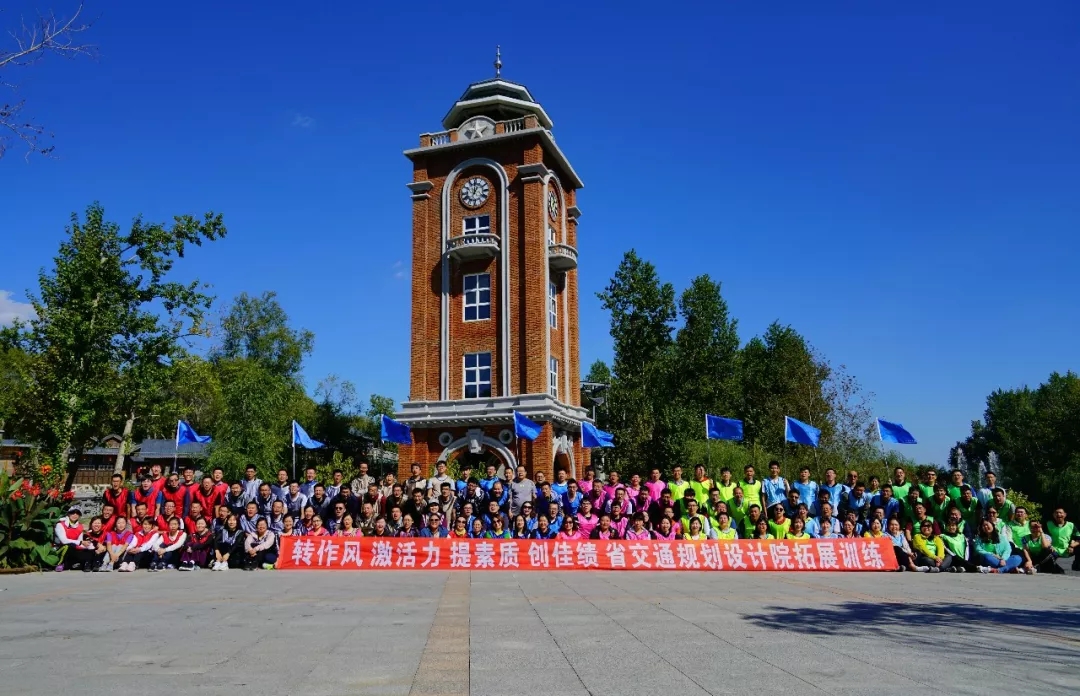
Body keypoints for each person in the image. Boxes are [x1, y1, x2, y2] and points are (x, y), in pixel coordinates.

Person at [54, 507, 97, 572]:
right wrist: (81, 542)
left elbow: (79, 542)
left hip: (73, 547)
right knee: (68, 546)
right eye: (72, 513)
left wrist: (90, 546)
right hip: (60, 548)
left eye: (77, 513)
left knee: (91, 548)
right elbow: (64, 541)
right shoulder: (60, 525)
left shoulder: (80, 526)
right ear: (68, 514)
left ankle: (88, 564)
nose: (75, 515)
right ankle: (60, 564)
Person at [1046, 507, 1078, 572]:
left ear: (1065, 514)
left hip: (1068, 550)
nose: (1058, 514)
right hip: (1053, 550)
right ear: (1053, 515)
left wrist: (1072, 546)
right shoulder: (1048, 524)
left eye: (1060, 513)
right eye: (1056, 513)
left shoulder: (1071, 525)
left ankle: (1076, 565)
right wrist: (1049, 546)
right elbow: (1044, 537)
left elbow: (1078, 538)